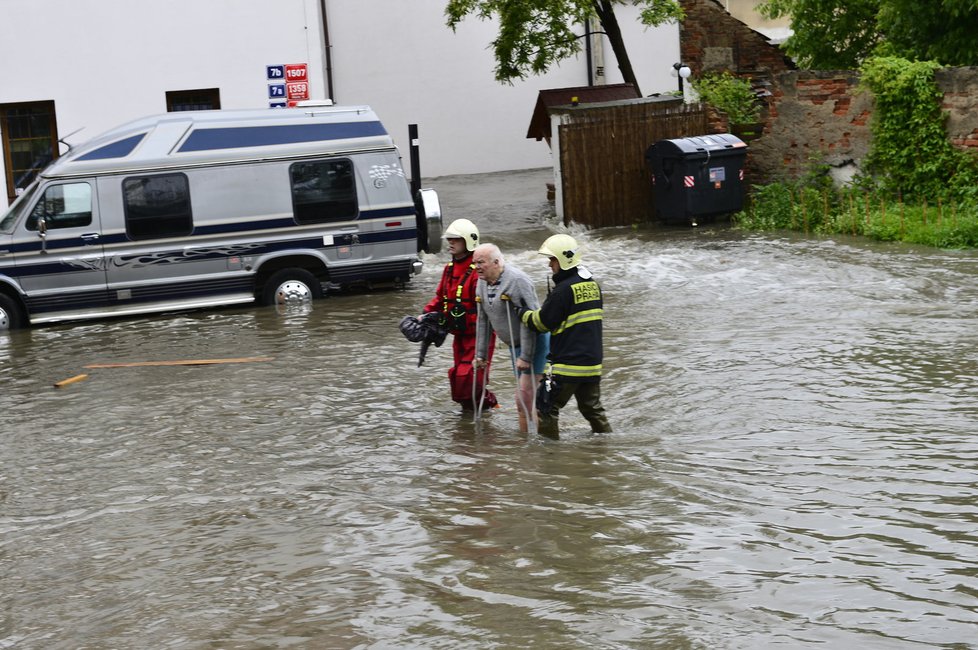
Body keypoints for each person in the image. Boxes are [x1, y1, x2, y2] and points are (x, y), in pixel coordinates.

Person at [509, 233, 611, 438]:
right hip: (592, 364)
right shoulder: (593, 286)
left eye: (552, 259)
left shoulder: (563, 290)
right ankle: (606, 443)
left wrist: (521, 313)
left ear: (563, 260)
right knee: (592, 409)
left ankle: (550, 456)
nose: (549, 265)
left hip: (568, 366)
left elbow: (541, 323)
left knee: (546, 408)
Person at [472, 243, 550, 433]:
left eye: (481, 262)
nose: (477, 267)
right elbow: (483, 321)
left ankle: (534, 444)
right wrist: (481, 355)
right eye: (475, 263)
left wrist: (526, 356)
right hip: (514, 346)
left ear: (496, 262)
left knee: (523, 398)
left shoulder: (517, 281)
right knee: (527, 399)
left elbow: (530, 320)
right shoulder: (482, 283)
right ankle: (531, 440)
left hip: (534, 343)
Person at [421, 218, 498, 412]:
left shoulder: (478, 272)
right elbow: (440, 298)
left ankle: (490, 405)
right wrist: (423, 316)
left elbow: (491, 303)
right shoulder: (448, 270)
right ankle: (471, 422)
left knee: (469, 380)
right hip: (459, 334)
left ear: (469, 241)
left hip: (479, 335)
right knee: (458, 383)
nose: (450, 243)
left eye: (455, 239)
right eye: (449, 239)